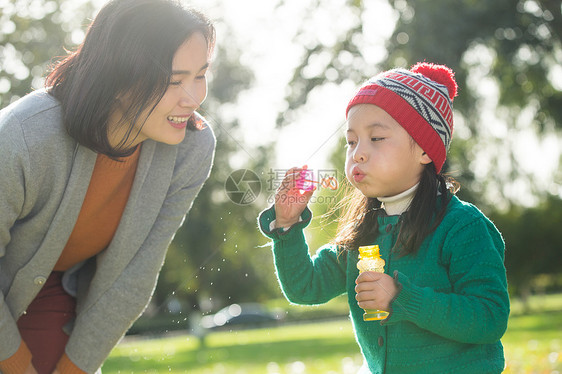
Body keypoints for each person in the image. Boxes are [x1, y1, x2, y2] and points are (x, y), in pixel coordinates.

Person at [0, 0, 216, 373]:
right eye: (172, 81)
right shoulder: (22, 138)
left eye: (200, 74)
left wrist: (75, 368)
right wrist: (14, 362)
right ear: (118, 78)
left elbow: (136, 272)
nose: (193, 98)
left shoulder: (191, 147)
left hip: (58, 291)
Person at [258, 62, 510, 373]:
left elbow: (490, 317)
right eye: (351, 142)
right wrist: (286, 225)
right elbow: (305, 287)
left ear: (425, 150)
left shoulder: (461, 225)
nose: (358, 153)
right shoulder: (363, 231)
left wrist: (402, 298)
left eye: (376, 138)